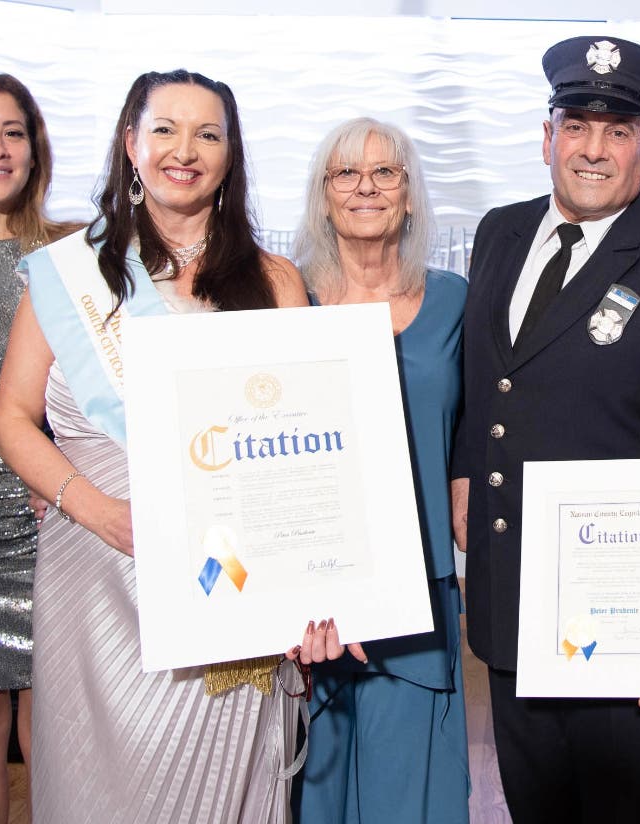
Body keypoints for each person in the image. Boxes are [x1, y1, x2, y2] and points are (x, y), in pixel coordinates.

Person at [0, 69, 309, 823]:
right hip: (95, 576)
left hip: (230, 583)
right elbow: (11, 417)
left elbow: (303, 448)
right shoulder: (67, 277)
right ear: (131, 144)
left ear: (230, 155)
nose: (184, 149)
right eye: (164, 128)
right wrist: (97, 510)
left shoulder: (273, 281)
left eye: (208, 133)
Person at [450, 35, 640, 823]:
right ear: (546, 135)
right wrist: (461, 475)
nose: (593, 149)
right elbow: (486, 385)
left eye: (617, 132)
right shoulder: (499, 232)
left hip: (625, 616)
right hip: (512, 605)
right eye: (576, 124)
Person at [288, 117, 470, 824]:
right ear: (322, 194)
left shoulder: (456, 299)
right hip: (310, 595)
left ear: (411, 194)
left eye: (384, 172)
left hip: (416, 593)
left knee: (410, 795)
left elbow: (478, 440)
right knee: (315, 790)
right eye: (344, 173)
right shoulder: (284, 296)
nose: (364, 187)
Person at [0, 69, 77, 824]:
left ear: (36, 151)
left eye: (13, 132)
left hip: (56, 514)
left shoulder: (72, 256)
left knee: (61, 732)